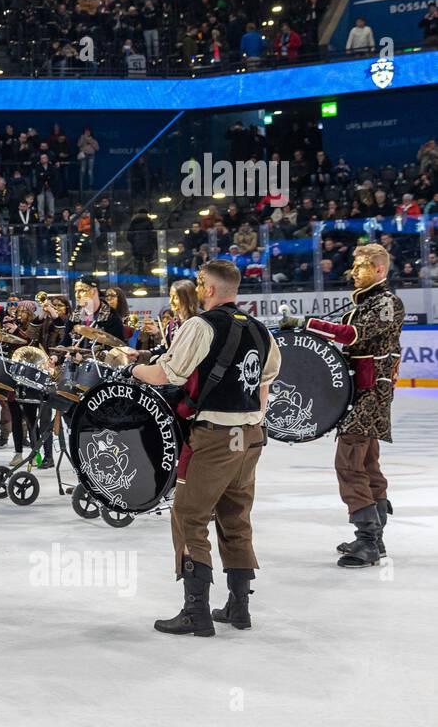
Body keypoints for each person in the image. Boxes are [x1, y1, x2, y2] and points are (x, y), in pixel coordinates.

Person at [132, 260, 280, 636]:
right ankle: (239, 606)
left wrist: (133, 370)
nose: (197, 290)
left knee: (189, 516)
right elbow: (265, 383)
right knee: (236, 517)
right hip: (249, 438)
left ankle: (195, 611)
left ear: (209, 289)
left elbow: (167, 374)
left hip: (213, 436)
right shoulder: (261, 331)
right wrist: (252, 421)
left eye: (200, 284)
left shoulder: (200, 326)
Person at [280, 243, 404, 568]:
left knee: (349, 464)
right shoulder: (369, 301)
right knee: (367, 465)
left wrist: (308, 324)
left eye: (360, 265)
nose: (353, 272)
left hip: (370, 396)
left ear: (378, 269)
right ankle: (374, 538)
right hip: (361, 395)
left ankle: (368, 541)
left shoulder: (387, 303)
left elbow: (353, 335)